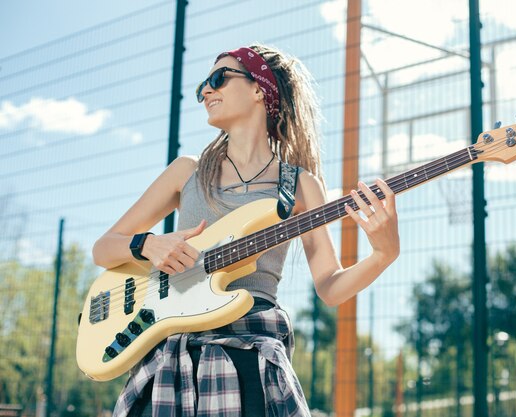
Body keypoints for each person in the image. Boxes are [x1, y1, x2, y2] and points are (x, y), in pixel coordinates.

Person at [92, 43, 400, 417]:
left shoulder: (299, 185)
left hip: (251, 354)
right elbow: (104, 248)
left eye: (219, 78)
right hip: (173, 357)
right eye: (204, 85)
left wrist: (384, 255)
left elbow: (330, 287)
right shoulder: (185, 172)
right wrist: (149, 245)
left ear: (259, 89)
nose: (206, 90)